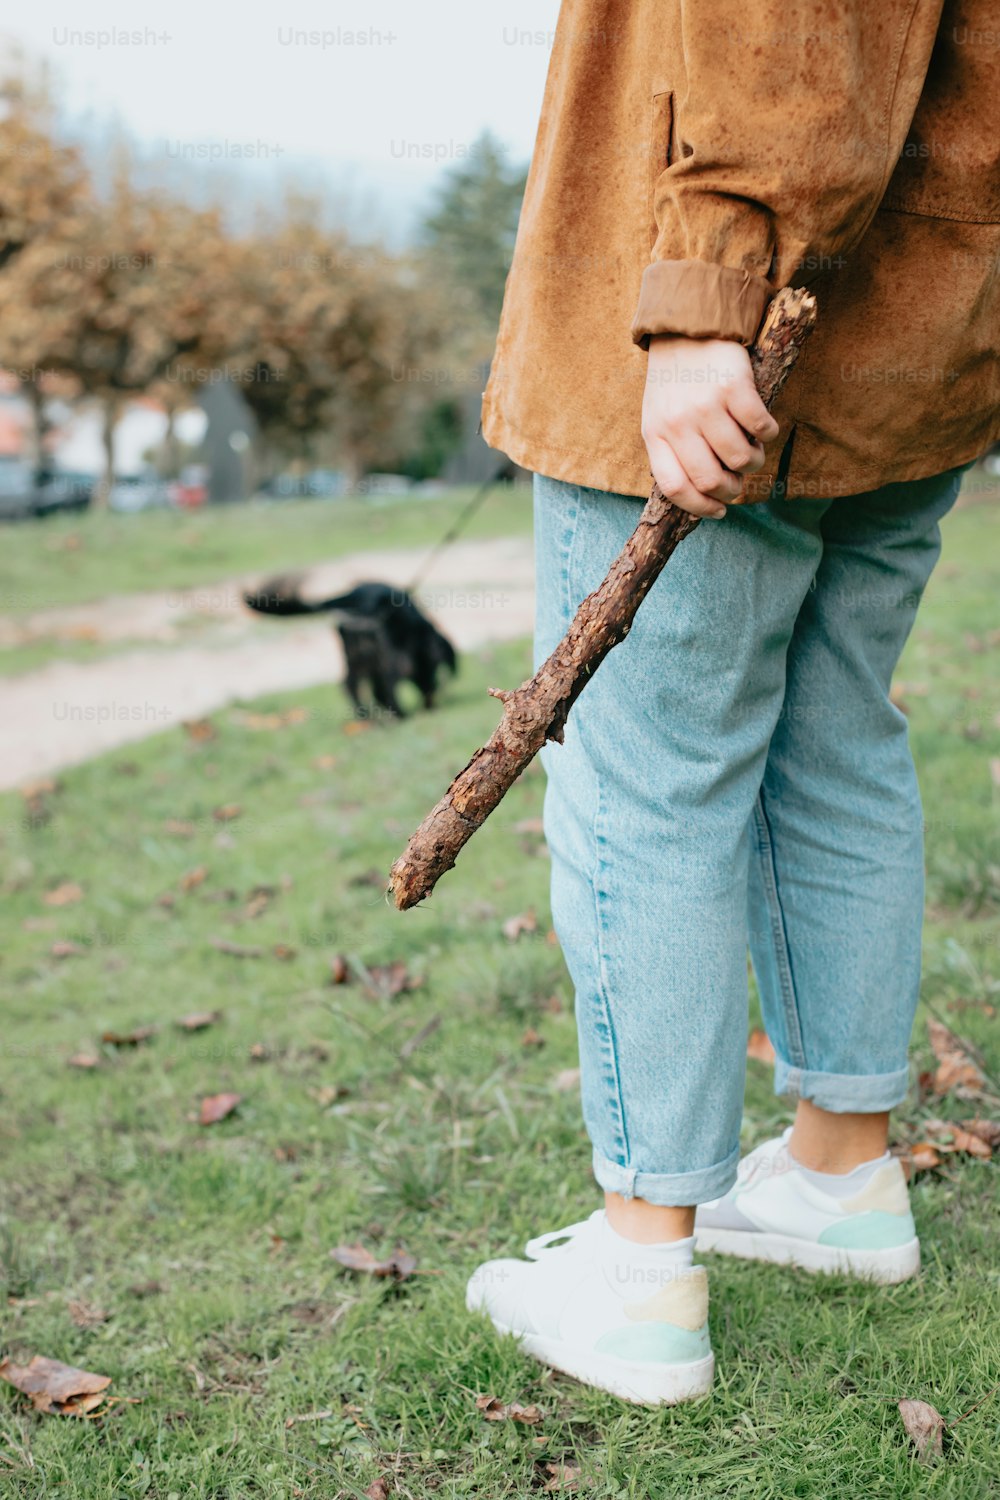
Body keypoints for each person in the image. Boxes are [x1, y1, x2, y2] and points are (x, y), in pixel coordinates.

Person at [465, 0, 1000, 1405]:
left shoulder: (714, 303)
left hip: (720, 327)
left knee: (651, 782)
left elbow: (788, 35)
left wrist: (705, 297)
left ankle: (642, 1274)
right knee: (836, 742)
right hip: (918, 323)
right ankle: (839, 1175)